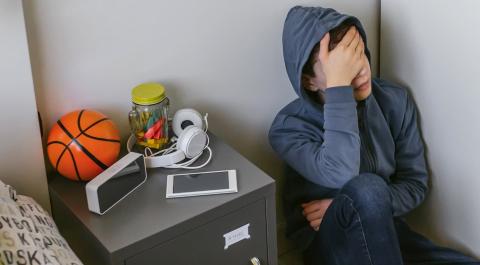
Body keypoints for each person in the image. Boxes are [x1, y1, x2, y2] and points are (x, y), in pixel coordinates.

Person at [269, 6, 480, 265]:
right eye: (342, 70)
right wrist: (339, 90)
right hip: (328, 240)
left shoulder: (395, 101)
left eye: (359, 56)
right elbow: (341, 172)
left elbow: (414, 184)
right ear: (310, 81)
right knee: (368, 188)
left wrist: (369, 207)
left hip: (385, 228)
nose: (361, 72)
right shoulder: (288, 129)